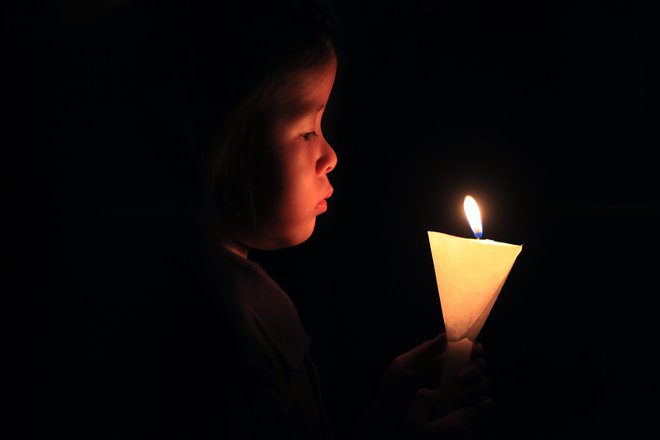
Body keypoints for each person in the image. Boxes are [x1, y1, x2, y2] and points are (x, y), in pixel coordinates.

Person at [55, 0, 494, 438]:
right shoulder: (211, 343)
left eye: (322, 126)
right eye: (306, 131)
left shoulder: (232, 297)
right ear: (218, 147)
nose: (330, 155)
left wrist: (385, 413)